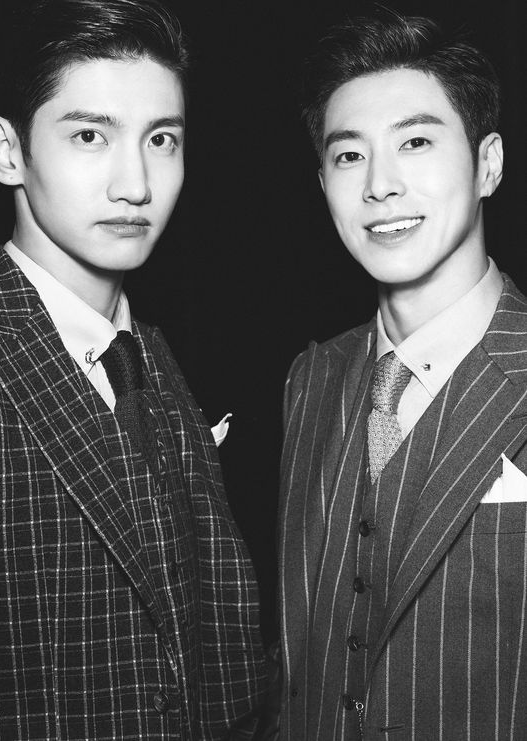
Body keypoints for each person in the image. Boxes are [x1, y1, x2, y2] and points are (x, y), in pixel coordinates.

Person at [0, 0, 266, 738]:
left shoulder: (164, 353)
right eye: (90, 135)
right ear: (8, 152)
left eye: (162, 139)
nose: (136, 184)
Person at [277, 10, 527, 740]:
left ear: (488, 163)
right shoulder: (310, 379)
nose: (380, 185)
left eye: (415, 141)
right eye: (349, 155)